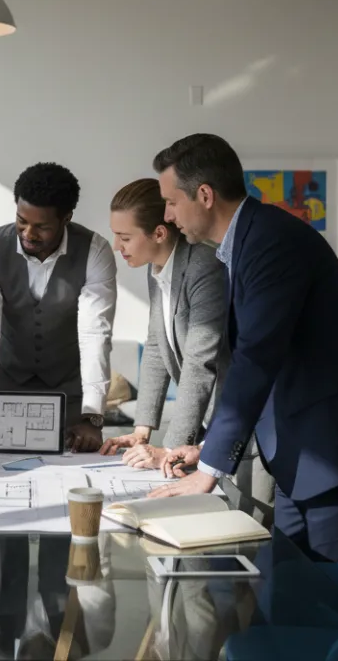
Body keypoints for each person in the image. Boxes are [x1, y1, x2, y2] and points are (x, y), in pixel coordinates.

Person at [148, 134, 338, 563]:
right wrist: (209, 447)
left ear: (205, 196)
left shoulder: (271, 242)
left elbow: (256, 359)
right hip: (299, 453)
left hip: (334, 451)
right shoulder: (247, 241)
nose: (167, 214)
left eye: (171, 202)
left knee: (330, 593)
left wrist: (210, 469)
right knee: (286, 585)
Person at [98, 180, 275, 521]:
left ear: (159, 234)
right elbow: (155, 347)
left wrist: (168, 448)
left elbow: (199, 361)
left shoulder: (204, 266)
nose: (116, 246)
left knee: (252, 527)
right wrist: (142, 429)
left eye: (124, 237)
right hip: (212, 427)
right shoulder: (157, 268)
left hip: (245, 427)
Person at [0, 162, 117, 452]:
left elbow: (95, 335)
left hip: (69, 394)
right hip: (5, 390)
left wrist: (92, 415)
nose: (28, 233)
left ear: (66, 218)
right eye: (21, 220)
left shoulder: (95, 251)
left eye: (42, 226)